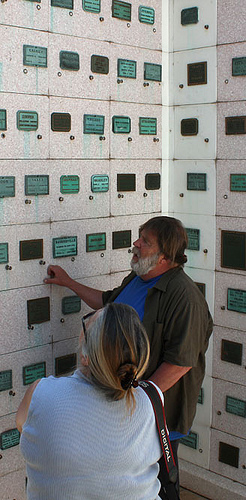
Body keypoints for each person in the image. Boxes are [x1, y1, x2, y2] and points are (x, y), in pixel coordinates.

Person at [44, 216, 213, 499]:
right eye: (139, 236)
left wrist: (140, 403)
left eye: (145, 241)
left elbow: (180, 363)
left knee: (155, 486)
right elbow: (108, 303)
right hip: (122, 408)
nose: (136, 244)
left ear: (164, 256)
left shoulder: (185, 298)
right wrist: (68, 282)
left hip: (155, 420)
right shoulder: (139, 277)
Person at [16, 303, 163, 500]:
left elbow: (21, 425)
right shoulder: (151, 398)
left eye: (87, 324)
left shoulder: (40, 394)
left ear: (86, 357)